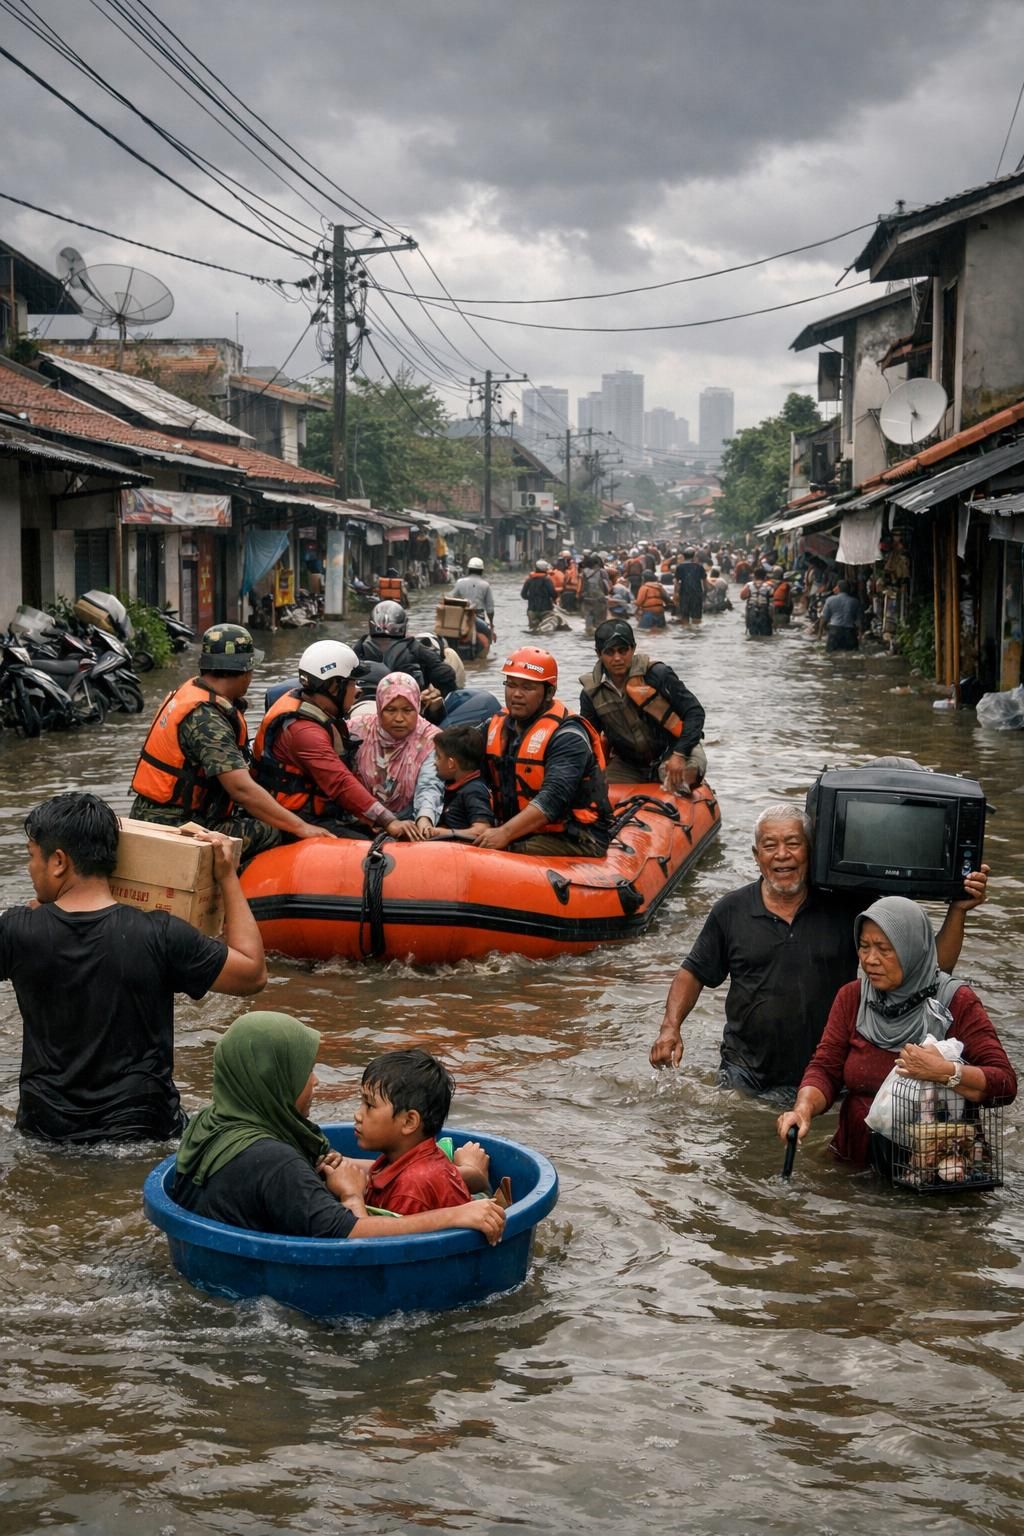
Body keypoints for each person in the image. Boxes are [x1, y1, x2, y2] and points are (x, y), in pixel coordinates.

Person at [649, 803, 989, 1095]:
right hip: (744, 1071)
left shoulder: (848, 906)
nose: (782, 855)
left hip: (829, 1072)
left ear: (811, 850)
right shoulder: (731, 911)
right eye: (770, 846)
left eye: (793, 843)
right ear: (757, 856)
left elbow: (928, 969)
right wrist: (670, 1028)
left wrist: (957, 910)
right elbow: (693, 973)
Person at [5, 792, 266, 1144]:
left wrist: (31, 917)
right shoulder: (160, 934)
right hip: (143, 1133)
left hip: (45, 1132)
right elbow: (252, 973)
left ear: (59, 862)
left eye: (32, 856)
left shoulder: (19, 931)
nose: (30, 868)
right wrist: (228, 877)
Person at [171, 1012, 505, 1243]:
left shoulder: (211, 1123)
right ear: (274, 1079)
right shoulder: (274, 1162)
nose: (315, 1080)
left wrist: (464, 1175)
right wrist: (459, 1215)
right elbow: (352, 1236)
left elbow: (332, 1165)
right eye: (303, 1070)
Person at [777, 897, 1016, 1169]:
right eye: (864, 947)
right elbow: (825, 1068)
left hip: (935, 1164)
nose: (870, 960)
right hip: (858, 1155)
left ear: (912, 949)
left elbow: (1005, 1084)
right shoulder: (852, 997)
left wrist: (946, 1072)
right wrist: (802, 1110)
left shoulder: (955, 1001)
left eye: (884, 949)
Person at [130, 623, 327, 861]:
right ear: (243, 670)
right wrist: (301, 827)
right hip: (179, 826)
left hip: (156, 815)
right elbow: (240, 788)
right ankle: (239, 891)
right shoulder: (206, 718)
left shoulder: (191, 691)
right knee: (273, 832)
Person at [252, 640, 413, 842]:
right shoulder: (303, 731)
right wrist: (388, 820)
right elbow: (339, 781)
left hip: (321, 814)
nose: (358, 690)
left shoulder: (317, 711)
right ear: (335, 686)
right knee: (378, 846)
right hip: (297, 819)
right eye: (353, 682)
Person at [479, 648, 612, 857]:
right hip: (520, 829)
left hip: (575, 836)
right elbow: (455, 754)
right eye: (511, 685)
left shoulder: (568, 736)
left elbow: (553, 798)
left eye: (527, 687)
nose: (516, 694)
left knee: (503, 851)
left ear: (549, 692)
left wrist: (504, 833)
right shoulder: (495, 726)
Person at [355, 1048, 491, 1214]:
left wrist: (351, 1196)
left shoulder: (411, 1189)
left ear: (409, 1122)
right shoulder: (400, 1158)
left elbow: (382, 1239)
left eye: (369, 1105)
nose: (358, 1115)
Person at [579, 619, 706, 794]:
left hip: (674, 752)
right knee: (594, 792)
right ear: (598, 654)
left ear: (633, 649)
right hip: (628, 765)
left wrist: (679, 755)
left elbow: (695, 712)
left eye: (623, 650)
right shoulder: (591, 693)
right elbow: (588, 737)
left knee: (677, 780)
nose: (617, 658)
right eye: (609, 652)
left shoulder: (658, 675)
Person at [352, 673, 443, 838]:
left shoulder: (431, 738)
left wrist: (424, 820)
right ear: (379, 708)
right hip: (361, 818)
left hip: (408, 821)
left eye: (408, 710)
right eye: (390, 710)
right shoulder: (358, 729)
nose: (399, 719)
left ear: (417, 707)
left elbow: (429, 785)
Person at [354, 601, 456, 717]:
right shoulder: (414, 648)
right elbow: (446, 675)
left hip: (366, 708)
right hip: (409, 711)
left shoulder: (360, 647)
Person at [431, 724, 495, 835]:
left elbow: (482, 830)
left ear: (451, 763)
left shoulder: (474, 791)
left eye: (438, 756)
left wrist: (447, 833)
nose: (434, 762)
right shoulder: (456, 786)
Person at [449, 556, 496, 644]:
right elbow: (490, 609)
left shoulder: (460, 582)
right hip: (478, 617)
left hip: (461, 617)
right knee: (488, 635)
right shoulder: (485, 585)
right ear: (481, 571)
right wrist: (491, 624)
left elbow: (451, 599)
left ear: (469, 569)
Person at [818, 580, 863, 651]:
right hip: (850, 632)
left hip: (834, 631)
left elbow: (824, 618)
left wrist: (820, 633)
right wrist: (860, 635)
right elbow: (859, 621)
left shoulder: (830, 600)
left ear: (838, 588)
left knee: (831, 657)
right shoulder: (855, 602)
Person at [521, 560, 557, 633]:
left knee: (533, 630)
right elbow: (553, 593)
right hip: (546, 609)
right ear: (545, 569)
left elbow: (523, 594)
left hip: (532, 609)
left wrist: (530, 598)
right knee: (546, 630)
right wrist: (553, 599)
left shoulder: (529, 580)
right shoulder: (547, 580)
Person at [673, 549, 706, 627]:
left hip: (684, 595)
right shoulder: (699, 567)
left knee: (684, 617)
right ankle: (696, 633)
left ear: (684, 557)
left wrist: (675, 594)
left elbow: (676, 583)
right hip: (697, 595)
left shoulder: (679, 567)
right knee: (697, 618)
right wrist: (705, 594)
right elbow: (704, 582)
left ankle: (687, 632)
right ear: (694, 556)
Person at [579, 557, 610, 637]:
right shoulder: (602, 572)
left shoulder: (584, 572)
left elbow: (581, 586)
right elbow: (607, 586)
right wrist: (606, 595)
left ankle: (588, 632)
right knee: (600, 621)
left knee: (588, 617)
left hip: (587, 599)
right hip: (599, 599)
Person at [740, 567, 775, 637]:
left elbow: (742, 596)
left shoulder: (748, 585)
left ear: (754, 576)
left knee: (753, 635)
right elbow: (773, 597)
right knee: (766, 635)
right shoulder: (769, 586)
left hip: (751, 612)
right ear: (765, 577)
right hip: (764, 612)